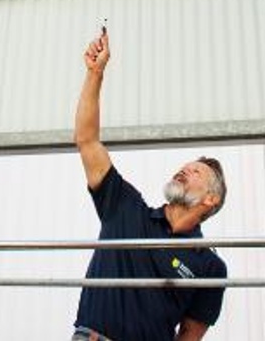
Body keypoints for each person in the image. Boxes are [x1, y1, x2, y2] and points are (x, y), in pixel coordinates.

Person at [72, 30, 228, 341]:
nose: (183, 171)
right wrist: (95, 73)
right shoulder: (125, 206)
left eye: (195, 172)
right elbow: (87, 140)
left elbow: (191, 334)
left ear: (211, 199)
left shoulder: (210, 265)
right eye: (183, 168)